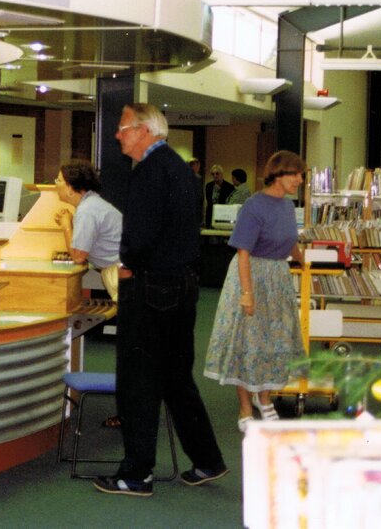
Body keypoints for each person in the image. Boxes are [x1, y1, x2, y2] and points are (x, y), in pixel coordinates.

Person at [93, 103, 227, 498]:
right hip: (182, 286)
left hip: (151, 288)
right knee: (176, 378)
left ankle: (137, 474)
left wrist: (128, 265)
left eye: (123, 128)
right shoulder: (181, 169)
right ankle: (207, 460)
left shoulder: (149, 171)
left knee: (138, 381)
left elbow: (141, 234)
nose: (118, 135)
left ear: (145, 130)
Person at [203, 150, 308, 433]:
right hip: (250, 275)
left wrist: (303, 260)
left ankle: (265, 399)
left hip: (277, 279)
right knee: (247, 342)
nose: (300, 180)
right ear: (278, 175)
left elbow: (290, 240)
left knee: (272, 341)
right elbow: (243, 253)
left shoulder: (287, 206)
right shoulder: (253, 206)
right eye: (296, 174)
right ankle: (245, 407)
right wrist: (247, 294)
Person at [53, 159, 122, 301]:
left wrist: (66, 226)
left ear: (71, 188)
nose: (56, 185)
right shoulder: (91, 205)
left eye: (59, 180)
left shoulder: (87, 211)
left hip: (122, 273)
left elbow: (78, 257)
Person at [204, 164, 235, 228]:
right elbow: (209, 202)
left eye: (217, 173)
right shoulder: (209, 186)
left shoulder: (229, 187)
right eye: (213, 174)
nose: (215, 176)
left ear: (221, 174)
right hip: (211, 214)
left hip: (223, 215)